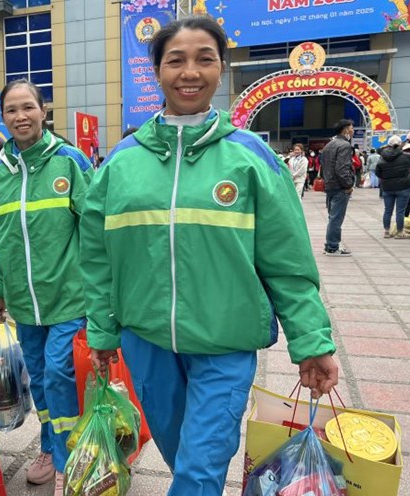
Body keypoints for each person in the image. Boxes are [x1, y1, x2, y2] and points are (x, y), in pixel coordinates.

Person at [80, 17, 338, 496]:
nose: (190, 72)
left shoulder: (252, 157)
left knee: (201, 468)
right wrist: (101, 328)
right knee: (184, 459)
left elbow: (288, 262)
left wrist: (312, 339)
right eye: (175, 60)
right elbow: (96, 259)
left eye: (205, 59)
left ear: (222, 68)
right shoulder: (120, 162)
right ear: (156, 70)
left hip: (226, 341)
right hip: (146, 341)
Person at [0, 79, 93, 495]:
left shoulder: (71, 162)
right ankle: (51, 447)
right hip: (26, 306)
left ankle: (67, 462)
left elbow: (95, 228)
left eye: (28, 107)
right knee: (42, 381)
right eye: (12, 110)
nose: (20, 116)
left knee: (60, 373)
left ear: (43, 111)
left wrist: (103, 292)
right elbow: (2, 237)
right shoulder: (0, 175)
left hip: (69, 297)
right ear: (4, 117)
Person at [321, 119, 356, 256]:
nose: (353, 130)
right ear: (346, 129)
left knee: (332, 217)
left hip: (329, 185)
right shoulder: (344, 145)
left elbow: (324, 166)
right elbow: (342, 168)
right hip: (340, 186)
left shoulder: (329, 145)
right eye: (351, 128)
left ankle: (330, 244)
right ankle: (332, 247)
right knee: (336, 218)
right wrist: (348, 185)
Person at [376, 135, 410, 239]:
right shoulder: (407, 156)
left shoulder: (382, 157)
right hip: (403, 187)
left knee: (387, 210)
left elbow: (378, 173)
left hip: (388, 188)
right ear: (399, 144)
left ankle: (387, 231)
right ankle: (400, 232)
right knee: (400, 211)